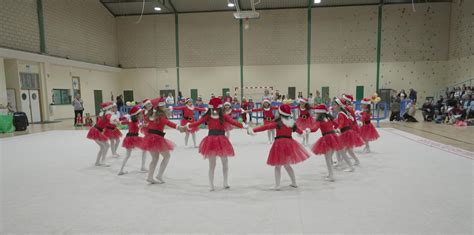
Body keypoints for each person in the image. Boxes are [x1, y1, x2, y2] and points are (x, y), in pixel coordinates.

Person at [248, 103, 309, 190]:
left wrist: (253, 130)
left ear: (280, 113)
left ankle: (277, 185)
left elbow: (266, 127)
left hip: (279, 144)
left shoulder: (278, 123)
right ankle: (294, 182)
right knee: (287, 165)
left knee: (278, 166)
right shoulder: (292, 123)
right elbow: (300, 131)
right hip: (289, 144)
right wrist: (304, 132)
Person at [187, 98, 244, 191]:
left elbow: (234, 122)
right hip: (211, 141)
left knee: (225, 162)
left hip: (222, 140)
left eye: (217, 109)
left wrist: (243, 125)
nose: (215, 110)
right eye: (213, 109)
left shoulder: (224, 116)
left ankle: (225, 182)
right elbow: (197, 123)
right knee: (212, 164)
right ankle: (211, 184)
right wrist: (187, 125)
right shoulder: (208, 116)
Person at [141, 97, 184, 184]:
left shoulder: (152, 114)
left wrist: (145, 125)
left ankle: (150, 176)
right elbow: (168, 123)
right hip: (157, 138)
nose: (165, 106)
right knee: (167, 156)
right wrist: (178, 127)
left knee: (154, 158)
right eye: (164, 105)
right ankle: (159, 175)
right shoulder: (160, 115)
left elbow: (150, 124)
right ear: (160, 107)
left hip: (149, 137)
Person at [306, 104, 342, 182]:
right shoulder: (329, 118)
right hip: (333, 137)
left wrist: (309, 130)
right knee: (329, 158)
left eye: (316, 113)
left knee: (328, 159)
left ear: (319, 113)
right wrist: (337, 129)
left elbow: (315, 128)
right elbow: (336, 124)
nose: (315, 114)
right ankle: (330, 174)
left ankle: (331, 175)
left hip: (327, 138)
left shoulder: (320, 120)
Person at [334, 97, 363, 170]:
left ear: (339, 106)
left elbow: (341, 122)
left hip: (346, 133)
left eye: (335, 105)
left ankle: (348, 166)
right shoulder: (344, 113)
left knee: (340, 150)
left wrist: (338, 128)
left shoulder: (341, 113)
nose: (333, 106)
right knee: (349, 150)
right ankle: (356, 161)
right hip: (347, 132)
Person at [118, 106, 147, 175]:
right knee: (145, 149)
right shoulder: (135, 121)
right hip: (134, 138)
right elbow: (138, 126)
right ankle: (142, 167)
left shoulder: (131, 120)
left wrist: (122, 120)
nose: (142, 115)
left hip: (128, 138)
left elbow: (121, 123)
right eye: (140, 114)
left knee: (127, 155)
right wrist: (144, 125)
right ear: (136, 115)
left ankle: (121, 170)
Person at [86, 102, 112, 167]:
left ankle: (98, 162)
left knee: (104, 146)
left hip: (96, 131)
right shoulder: (108, 114)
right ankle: (102, 161)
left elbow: (106, 122)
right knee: (105, 146)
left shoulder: (104, 114)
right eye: (112, 107)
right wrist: (114, 120)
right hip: (96, 131)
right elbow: (109, 119)